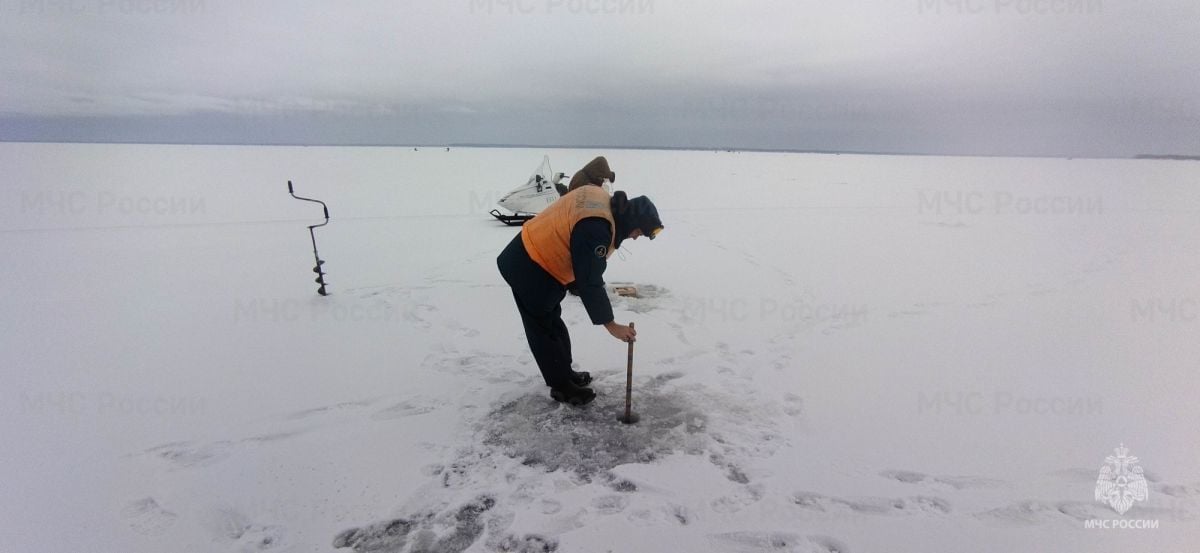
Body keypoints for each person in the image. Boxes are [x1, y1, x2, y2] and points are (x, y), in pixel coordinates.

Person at [497, 185, 663, 406]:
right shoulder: (597, 228)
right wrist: (612, 326)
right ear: (632, 222)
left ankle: (565, 373)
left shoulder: (601, 200)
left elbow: (585, 266)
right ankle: (561, 386)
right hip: (529, 265)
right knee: (543, 328)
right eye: (638, 232)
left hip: (540, 261)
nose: (634, 238)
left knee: (552, 321)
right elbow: (590, 281)